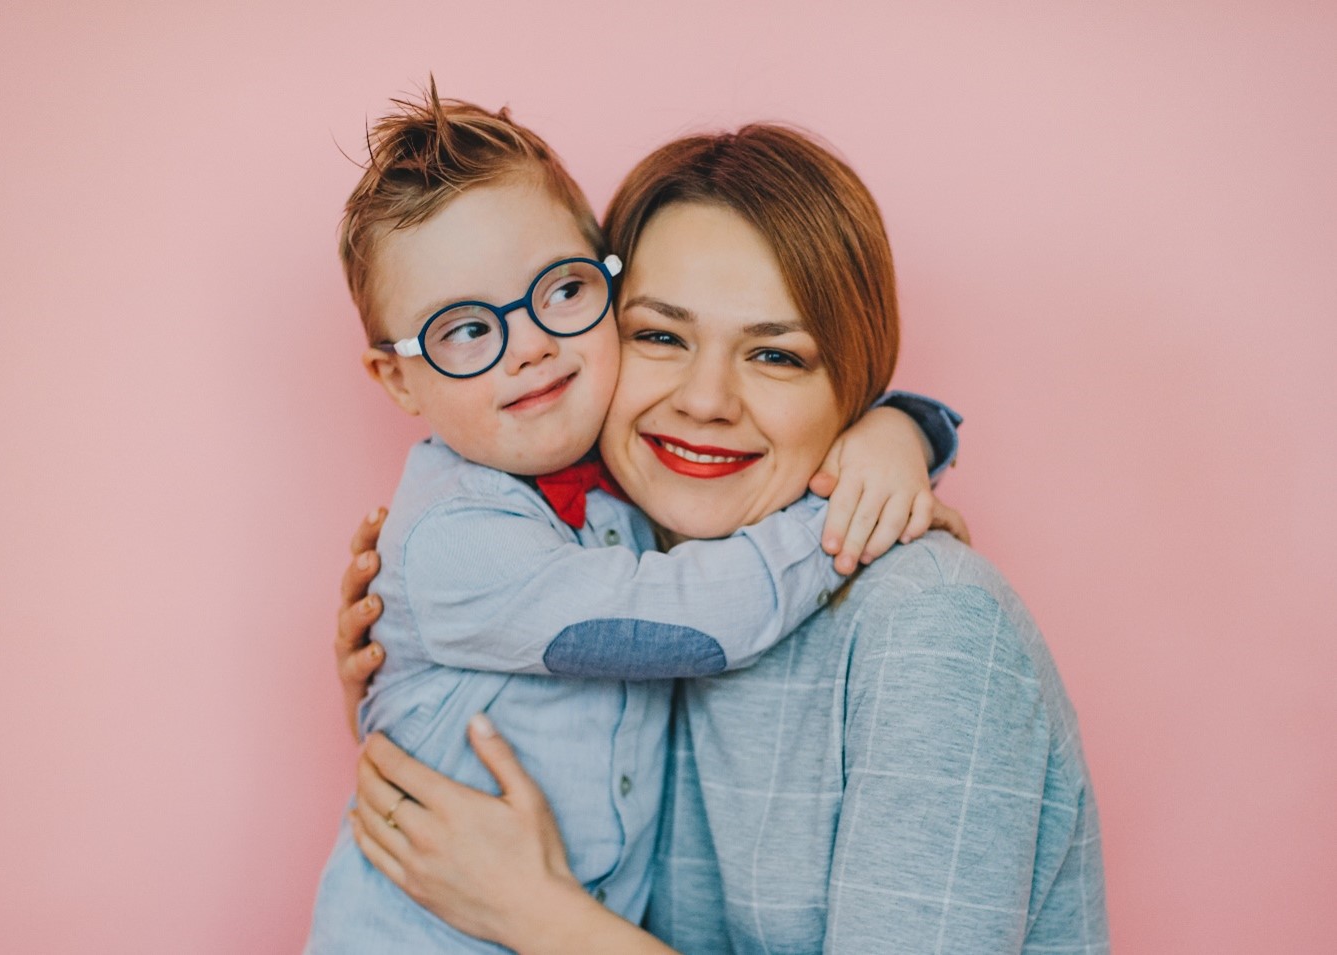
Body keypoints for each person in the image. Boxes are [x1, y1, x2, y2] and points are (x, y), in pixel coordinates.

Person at [334, 124, 1109, 953]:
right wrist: (401, 688)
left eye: (777, 355)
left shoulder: (931, 627)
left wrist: (542, 920)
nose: (705, 400)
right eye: (661, 336)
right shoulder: (623, 555)